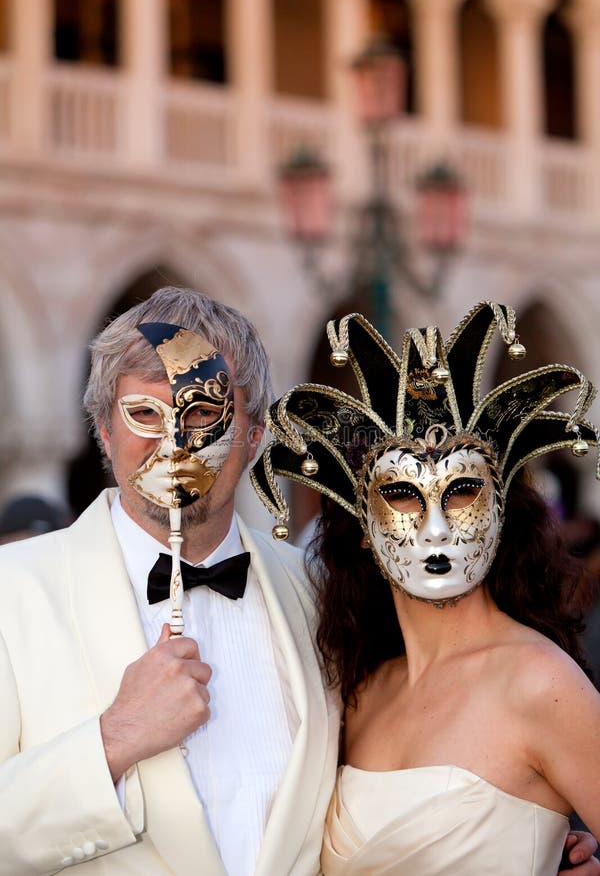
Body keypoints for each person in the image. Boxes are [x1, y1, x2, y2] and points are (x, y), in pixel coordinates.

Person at [251, 302, 600, 875]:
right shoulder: (359, 695)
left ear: (501, 511)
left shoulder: (541, 685)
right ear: (364, 528)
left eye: (462, 491)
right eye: (403, 496)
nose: (434, 527)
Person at [0, 286, 340, 875]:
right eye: (144, 414)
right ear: (104, 432)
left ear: (254, 435)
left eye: (205, 413)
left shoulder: (318, 595)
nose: (174, 441)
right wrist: (114, 740)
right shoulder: (13, 593)